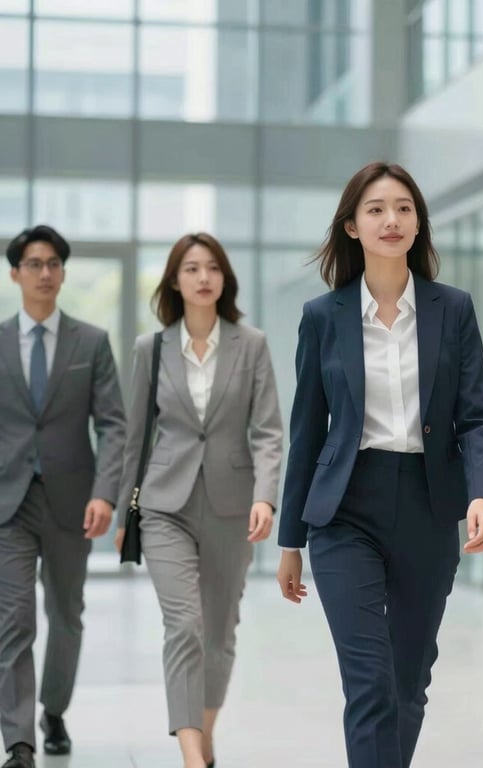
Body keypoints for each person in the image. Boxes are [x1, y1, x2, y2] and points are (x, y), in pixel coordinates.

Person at [276, 161, 483, 768]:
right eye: (375, 209)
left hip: (429, 504)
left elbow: (477, 417)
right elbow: (306, 433)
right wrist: (291, 540)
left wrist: (481, 493)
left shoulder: (453, 309)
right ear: (352, 226)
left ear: (418, 223)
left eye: (404, 208)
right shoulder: (323, 316)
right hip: (345, 509)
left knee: (407, 680)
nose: (391, 219)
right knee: (370, 681)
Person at [114, 233, 282, 768]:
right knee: (184, 625)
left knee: (220, 633)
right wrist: (123, 515)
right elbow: (135, 438)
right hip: (165, 504)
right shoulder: (151, 349)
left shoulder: (251, 344)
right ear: (174, 280)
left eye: (212, 267)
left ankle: (204, 736)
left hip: (233, 506)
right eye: (191, 268)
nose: (203, 277)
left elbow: (268, 432)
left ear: (225, 279)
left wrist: (266, 498)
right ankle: (192, 756)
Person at [0, 225, 126, 768]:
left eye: (53, 263)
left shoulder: (90, 342)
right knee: (14, 619)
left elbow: (114, 425)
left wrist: (105, 495)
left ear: (64, 272)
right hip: (8, 504)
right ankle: (19, 742)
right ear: (15, 274)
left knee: (66, 614)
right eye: (34, 264)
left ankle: (53, 710)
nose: (45, 273)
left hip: (74, 503)